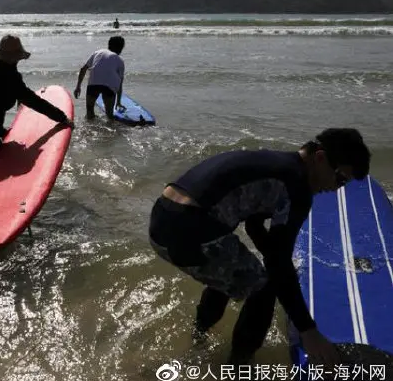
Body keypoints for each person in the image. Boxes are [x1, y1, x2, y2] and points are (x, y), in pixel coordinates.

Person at [148, 128, 371, 366]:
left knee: (231, 272)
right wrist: (308, 330)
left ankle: (199, 336)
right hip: (189, 232)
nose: (336, 188)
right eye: (340, 179)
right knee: (265, 288)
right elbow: (278, 263)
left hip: (163, 219)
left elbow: (254, 223)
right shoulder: (297, 188)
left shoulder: (278, 164)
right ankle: (239, 370)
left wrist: (275, 261)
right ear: (320, 158)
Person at [0, 35, 75, 183]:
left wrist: (1, 131)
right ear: (14, 57)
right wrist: (62, 118)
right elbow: (33, 101)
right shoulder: (8, 76)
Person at [73, 36, 126, 120]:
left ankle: (90, 129)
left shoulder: (98, 52)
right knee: (109, 115)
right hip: (109, 86)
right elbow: (119, 83)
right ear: (120, 48)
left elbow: (83, 69)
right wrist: (118, 102)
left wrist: (78, 87)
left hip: (94, 83)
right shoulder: (120, 60)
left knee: (89, 113)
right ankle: (111, 131)